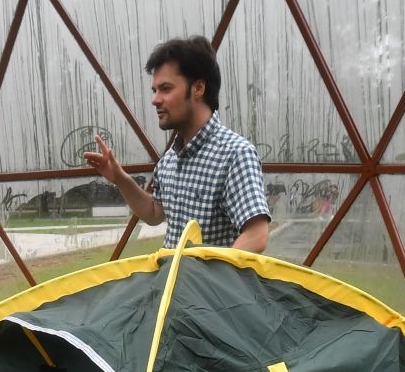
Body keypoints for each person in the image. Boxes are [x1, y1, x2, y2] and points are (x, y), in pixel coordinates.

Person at [81, 35, 270, 252]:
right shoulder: (170, 158)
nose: (155, 99)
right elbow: (154, 213)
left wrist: (212, 281)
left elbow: (257, 235)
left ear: (198, 88)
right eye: (155, 90)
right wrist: (120, 179)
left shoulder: (235, 154)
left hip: (207, 287)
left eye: (166, 89)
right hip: (172, 285)